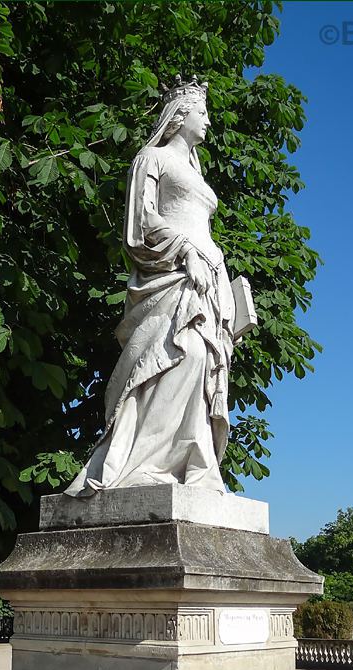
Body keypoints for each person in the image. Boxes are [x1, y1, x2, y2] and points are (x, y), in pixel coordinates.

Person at [65, 75, 236, 497]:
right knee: (184, 354)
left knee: (204, 369)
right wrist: (184, 251)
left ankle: (188, 462)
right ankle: (144, 461)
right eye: (203, 113)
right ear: (179, 118)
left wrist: (215, 268)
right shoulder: (152, 158)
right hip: (170, 272)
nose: (208, 122)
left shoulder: (195, 171)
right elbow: (141, 223)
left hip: (208, 278)